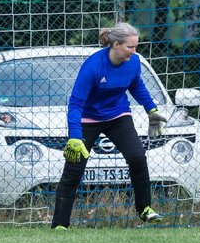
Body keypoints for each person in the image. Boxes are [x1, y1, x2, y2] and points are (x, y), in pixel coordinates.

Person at [52, 22, 167, 229]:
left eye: (136, 47)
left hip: (118, 116)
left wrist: (152, 110)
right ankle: (60, 224)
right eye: (130, 47)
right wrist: (75, 136)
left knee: (137, 156)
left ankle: (144, 209)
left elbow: (136, 84)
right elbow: (76, 103)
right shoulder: (93, 66)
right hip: (89, 119)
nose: (134, 51)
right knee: (74, 169)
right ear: (115, 45)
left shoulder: (134, 62)